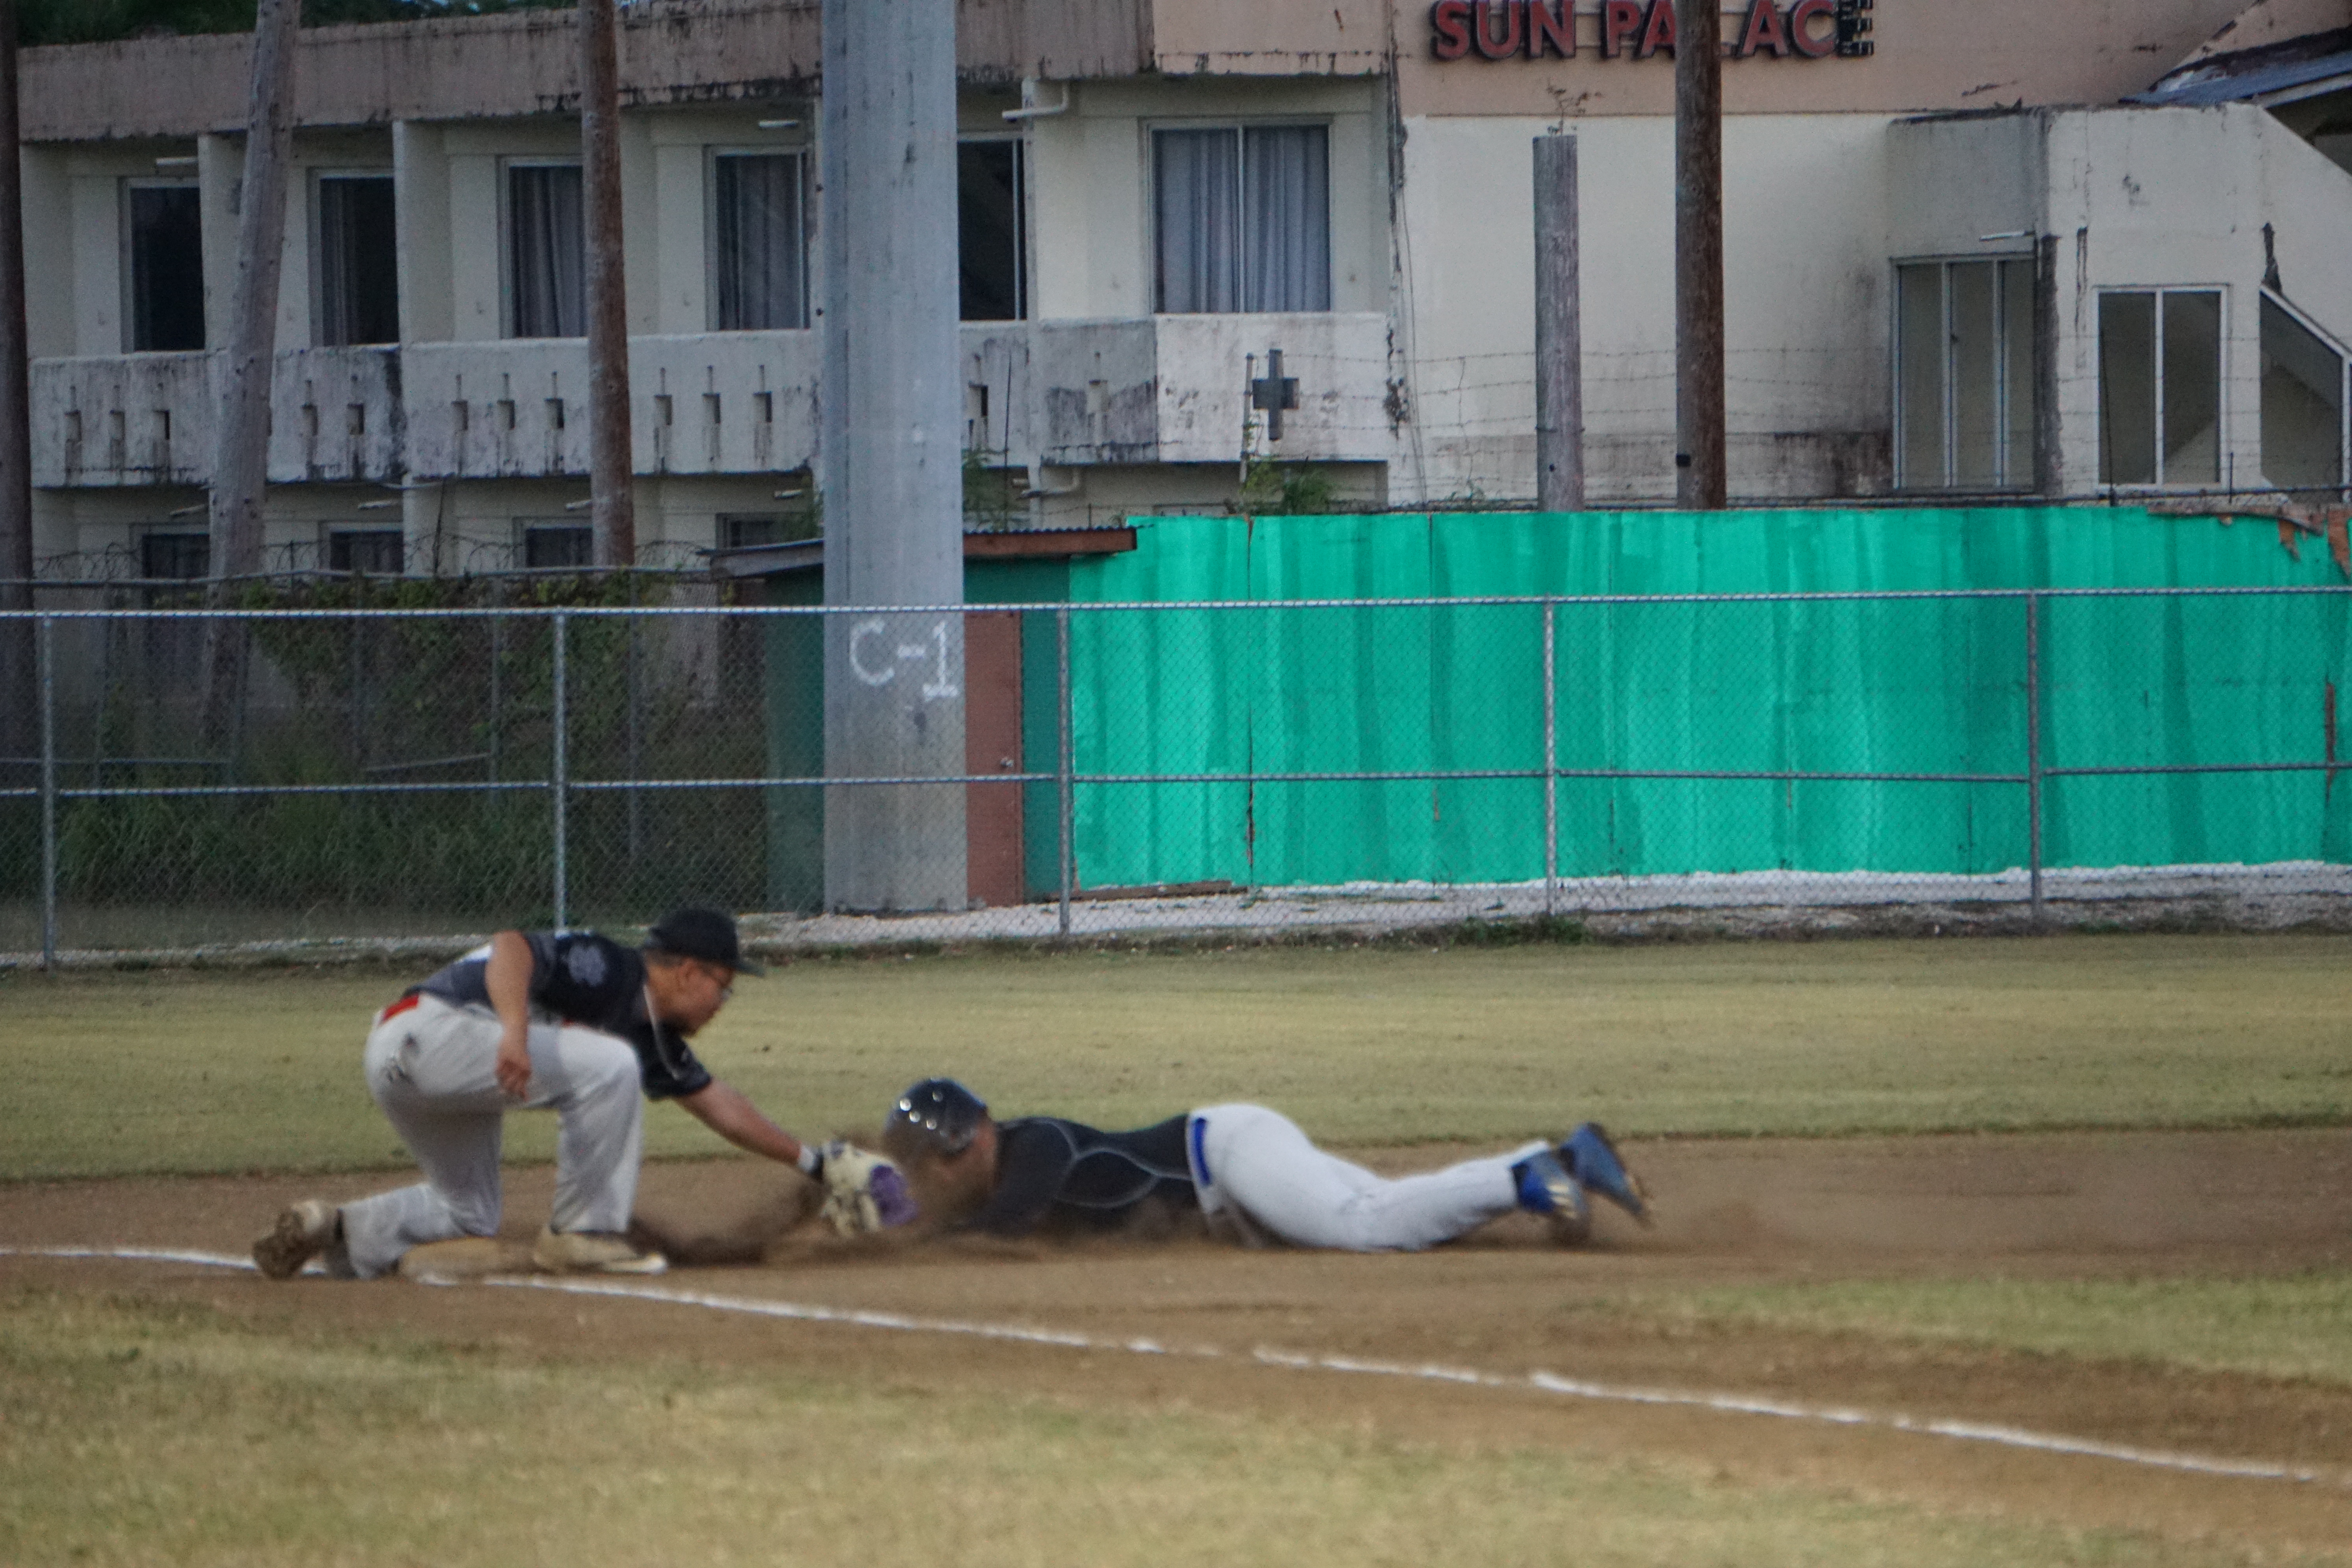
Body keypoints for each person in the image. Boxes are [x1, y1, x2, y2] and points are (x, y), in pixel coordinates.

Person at [253, 906, 832, 1280]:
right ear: (687, 972)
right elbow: (512, 946)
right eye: (722, 988)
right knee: (609, 1064)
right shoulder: (610, 967)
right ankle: (583, 1234)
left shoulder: (650, 1034)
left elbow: (721, 1107)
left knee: (467, 1214)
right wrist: (513, 1032)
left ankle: (332, 1227)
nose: (720, 1005)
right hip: (435, 1031)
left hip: (404, 1062)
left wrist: (818, 1164)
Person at [878, 1078, 1650, 1252]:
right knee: (1391, 1201)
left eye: (942, 1162)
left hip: (1227, 1152)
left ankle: (1531, 1178)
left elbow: (1008, 1220)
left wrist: (901, 1241)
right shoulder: (1012, 1159)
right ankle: (1549, 1160)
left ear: (975, 1132)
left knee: (1369, 1229)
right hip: (1234, 1157)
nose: (942, 1178)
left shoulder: (1034, 1145)